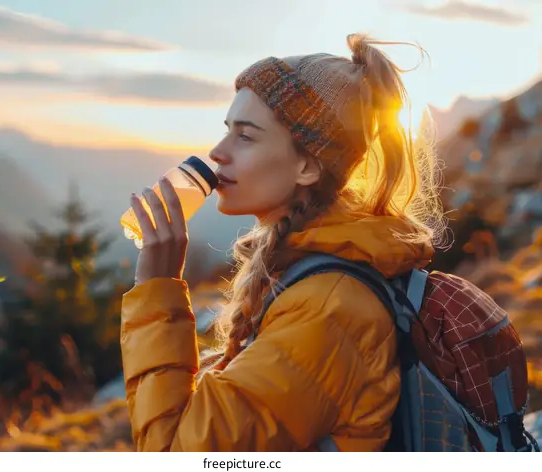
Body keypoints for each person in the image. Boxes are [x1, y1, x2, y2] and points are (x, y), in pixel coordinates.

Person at [120, 33, 443, 452]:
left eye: (246, 136)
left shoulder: (327, 311)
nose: (217, 152)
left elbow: (176, 452)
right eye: (226, 131)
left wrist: (157, 288)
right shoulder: (310, 275)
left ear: (308, 165)